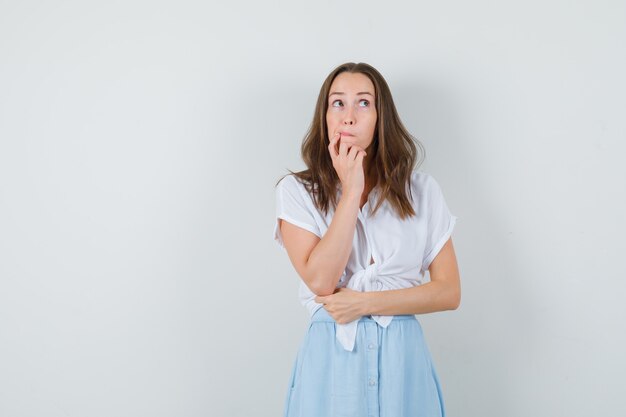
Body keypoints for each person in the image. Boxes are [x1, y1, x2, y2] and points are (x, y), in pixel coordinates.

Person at [273, 62, 460, 417]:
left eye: (363, 103)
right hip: (331, 358)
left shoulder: (421, 191)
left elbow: (449, 292)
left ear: (380, 117)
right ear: (325, 116)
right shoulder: (296, 191)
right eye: (337, 103)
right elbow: (321, 281)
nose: (348, 116)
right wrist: (351, 189)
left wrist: (364, 303)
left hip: (403, 360)